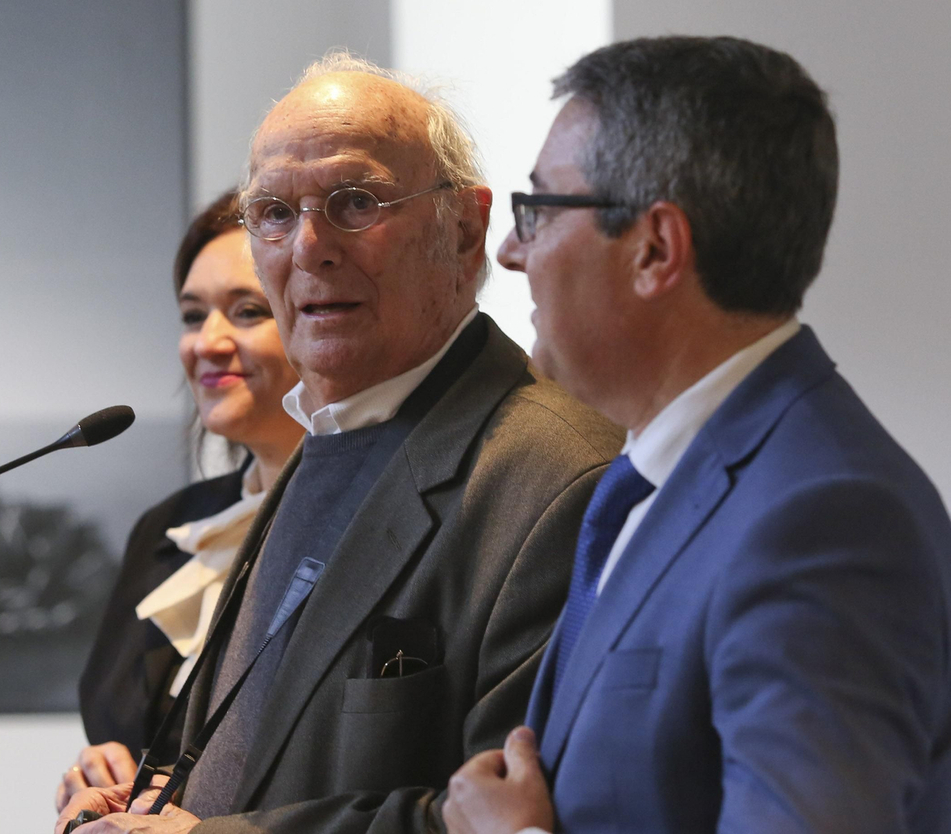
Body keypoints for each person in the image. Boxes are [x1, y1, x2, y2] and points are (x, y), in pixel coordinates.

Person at [57, 53, 622, 834]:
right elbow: (257, 745)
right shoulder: (327, 436)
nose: (309, 247)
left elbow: (528, 813)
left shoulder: (558, 479)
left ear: (465, 230)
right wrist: (145, 803)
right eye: (275, 214)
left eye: (355, 203)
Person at [443, 36, 951, 833]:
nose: (511, 250)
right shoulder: (646, 475)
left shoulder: (827, 520)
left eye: (537, 209)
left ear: (655, 249)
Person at [60, 190, 306, 811]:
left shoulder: (372, 524)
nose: (207, 343)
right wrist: (98, 780)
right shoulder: (168, 529)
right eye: (194, 316)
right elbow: (129, 738)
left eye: (248, 311)